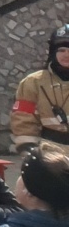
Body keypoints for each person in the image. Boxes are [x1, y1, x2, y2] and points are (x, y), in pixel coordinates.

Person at [10, 24, 69, 154]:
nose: (66, 55)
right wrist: (29, 152)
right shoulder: (33, 83)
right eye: (61, 50)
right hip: (49, 153)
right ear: (53, 52)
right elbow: (23, 120)